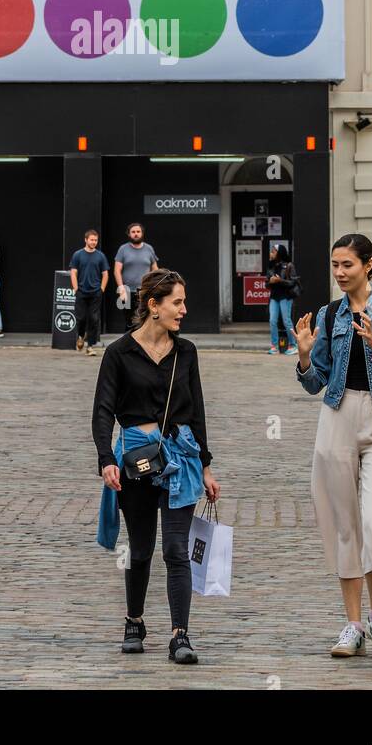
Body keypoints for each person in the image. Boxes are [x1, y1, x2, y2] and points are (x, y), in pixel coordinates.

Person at [293, 233, 372, 660]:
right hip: (337, 416)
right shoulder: (330, 315)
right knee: (344, 523)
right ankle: (352, 625)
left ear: (368, 265)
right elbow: (316, 383)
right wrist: (306, 357)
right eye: (334, 264)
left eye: (347, 264)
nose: (339, 272)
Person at [93, 268, 220, 665]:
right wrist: (106, 460)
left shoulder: (187, 353)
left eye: (183, 302)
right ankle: (134, 620)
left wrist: (205, 465)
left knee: (177, 549)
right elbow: (102, 412)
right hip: (137, 461)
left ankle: (180, 635)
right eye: (177, 302)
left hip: (180, 459)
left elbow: (197, 412)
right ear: (153, 306)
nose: (184, 309)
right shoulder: (119, 354)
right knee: (143, 548)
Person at [69, 230, 109, 356]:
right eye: (91, 240)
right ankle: (80, 336)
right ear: (86, 240)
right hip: (81, 291)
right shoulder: (78, 255)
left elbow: (105, 274)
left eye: (95, 240)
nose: (94, 242)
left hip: (96, 292)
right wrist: (76, 288)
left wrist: (102, 288)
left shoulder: (100, 256)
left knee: (94, 318)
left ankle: (90, 346)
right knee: (81, 318)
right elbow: (73, 272)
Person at [113, 223, 159, 326]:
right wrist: (121, 288)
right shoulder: (123, 249)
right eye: (133, 232)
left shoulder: (149, 249)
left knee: (145, 321)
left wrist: (155, 286)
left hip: (145, 291)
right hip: (127, 291)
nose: (136, 234)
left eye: (138, 232)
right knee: (129, 323)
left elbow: (155, 269)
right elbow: (117, 270)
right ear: (129, 234)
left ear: (142, 233)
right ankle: (130, 342)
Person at [266, 243, 299, 354]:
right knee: (272, 321)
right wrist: (270, 282)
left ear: (279, 253)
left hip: (286, 297)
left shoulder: (289, 265)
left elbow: (293, 282)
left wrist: (280, 281)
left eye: (274, 251)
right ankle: (274, 346)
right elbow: (266, 283)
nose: (271, 253)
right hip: (274, 297)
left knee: (286, 321)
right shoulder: (271, 266)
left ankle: (293, 345)